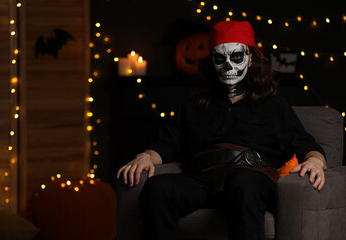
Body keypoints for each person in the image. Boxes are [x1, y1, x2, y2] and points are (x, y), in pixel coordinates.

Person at [116, 20, 327, 240]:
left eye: (236, 56)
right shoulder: (195, 105)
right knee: (157, 188)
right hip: (205, 179)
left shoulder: (273, 105)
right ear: (213, 62)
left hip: (253, 179)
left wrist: (314, 160)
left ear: (251, 58)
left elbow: (306, 145)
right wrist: (146, 156)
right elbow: (167, 143)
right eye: (220, 58)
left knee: (242, 184)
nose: (228, 65)